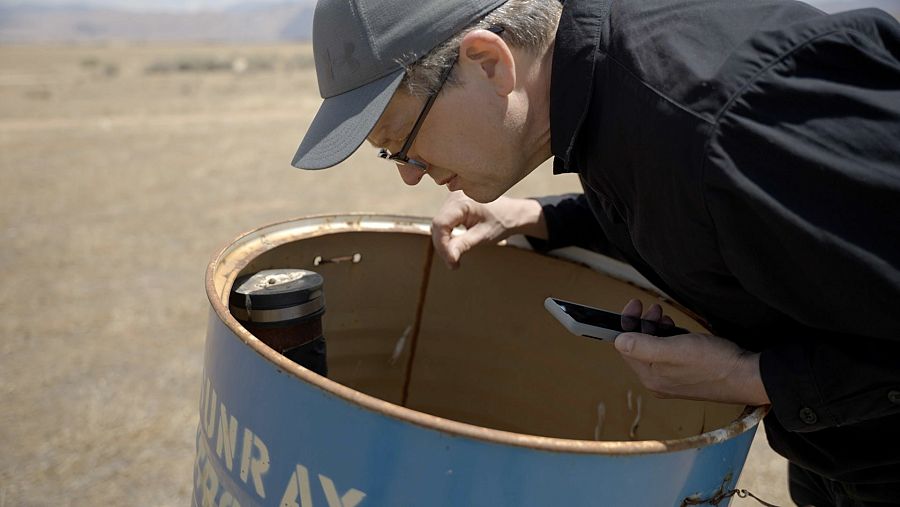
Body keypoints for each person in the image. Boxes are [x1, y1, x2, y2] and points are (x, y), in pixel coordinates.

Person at [291, 0, 900, 504]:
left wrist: (751, 377)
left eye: (405, 145)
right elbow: (699, 204)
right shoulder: (610, 88)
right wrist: (541, 216)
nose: (410, 177)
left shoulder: (732, 122)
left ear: (487, 61)